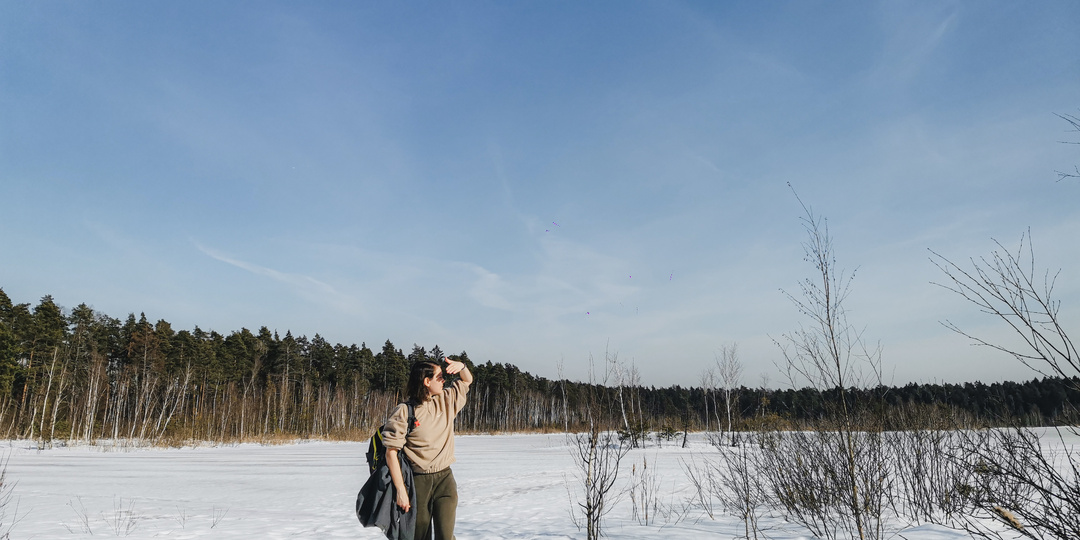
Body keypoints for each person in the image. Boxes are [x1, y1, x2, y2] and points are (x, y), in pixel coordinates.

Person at [382, 356, 472, 540]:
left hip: (445, 480)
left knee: (446, 536)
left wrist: (462, 366)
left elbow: (467, 380)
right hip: (418, 483)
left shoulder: (446, 400)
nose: (443, 380)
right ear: (426, 381)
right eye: (439, 377)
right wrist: (401, 491)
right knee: (419, 537)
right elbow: (391, 452)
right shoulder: (405, 412)